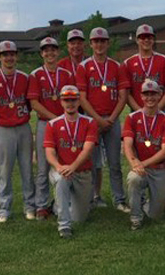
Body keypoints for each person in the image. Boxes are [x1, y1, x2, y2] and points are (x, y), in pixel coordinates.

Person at [76, 27, 130, 212]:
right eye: (95, 41)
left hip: (112, 120)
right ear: (90, 44)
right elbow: (82, 97)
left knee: (114, 163)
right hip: (91, 121)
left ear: (108, 43)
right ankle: (91, 198)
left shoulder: (117, 66)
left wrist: (112, 119)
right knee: (91, 162)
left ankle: (119, 199)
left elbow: (123, 96)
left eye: (102, 41)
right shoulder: (83, 67)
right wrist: (98, 119)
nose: (99, 44)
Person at [124, 24, 165, 208]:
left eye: (149, 37)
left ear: (153, 39)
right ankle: (137, 195)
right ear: (137, 39)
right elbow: (127, 91)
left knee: (163, 154)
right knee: (137, 151)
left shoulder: (164, 60)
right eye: (142, 37)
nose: (146, 40)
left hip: (160, 109)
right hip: (138, 111)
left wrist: (156, 109)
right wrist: (141, 109)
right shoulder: (129, 62)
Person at [0, 40, 36, 222]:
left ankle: (30, 206)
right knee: (5, 171)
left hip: (23, 127)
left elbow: (29, 104)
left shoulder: (25, 77)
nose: (9, 57)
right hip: (3, 129)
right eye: (5, 54)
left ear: (16, 56)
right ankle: (4, 209)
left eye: (12, 54)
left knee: (27, 169)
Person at [28, 37, 75, 220]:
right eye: (46, 50)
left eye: (53, 50)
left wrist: (61, 120)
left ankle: (62, 202)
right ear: (42, 53)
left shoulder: (66, 74)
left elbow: (72, 99)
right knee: (43, 165)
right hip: (46, 123)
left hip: (65, 123)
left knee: (64, 161)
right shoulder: (35, 74)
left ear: (58, 52)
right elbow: (34, 103)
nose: (50, 53)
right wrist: (55, 118)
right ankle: (41, 204)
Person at [44, 85, 98, 239]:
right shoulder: (53, 124)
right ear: (61, 102)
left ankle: (57, 206)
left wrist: (73, 167)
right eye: (66, 100)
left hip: (82, 172)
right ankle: (64, 226)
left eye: (73, 99)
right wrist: (59, 167)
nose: (70, 103)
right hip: (62, 171)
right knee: (61, 179)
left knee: (80, 218)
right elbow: (49, 152)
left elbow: (87, 150)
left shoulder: (89, 122)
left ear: (79, 101)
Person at [123, 80, 165, 230]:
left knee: (156, 214)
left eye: (153, 94)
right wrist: (134, 163)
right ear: (141, 96)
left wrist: (142, 163)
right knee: (133, 179)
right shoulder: (132, 117)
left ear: (160, 95)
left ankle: (144, 204)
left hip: (159, 169)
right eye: (146, 94)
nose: (150, 97)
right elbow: (127, 145)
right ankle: (135, 217)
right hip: (140, 168)